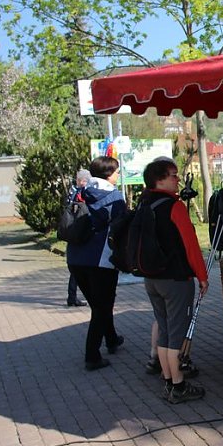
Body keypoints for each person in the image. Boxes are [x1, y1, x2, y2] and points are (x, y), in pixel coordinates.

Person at [139, 159, 210, 403]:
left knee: (165, 331)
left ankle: (168, 381)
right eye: (173, 175)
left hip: (152, 278)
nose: (178, 179)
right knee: (177, 334)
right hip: (176, 279)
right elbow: (190, 245)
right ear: (159, 179)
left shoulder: (144, 202)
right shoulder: (174, 206)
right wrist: (202, 277)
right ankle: (178, 385)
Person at [66, 156, 127, 371]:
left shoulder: (78, 192)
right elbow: (122, 228)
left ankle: (111, 338)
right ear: (109, 174)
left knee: (98, 304)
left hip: (74, 257)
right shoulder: (114, 196)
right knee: (102, 307)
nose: (118, 175)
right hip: (101, 260)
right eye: (117, 171)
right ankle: (92, 355)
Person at [65, 169, 91, 307]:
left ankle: (72, 296)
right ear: (83, 181)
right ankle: (76, 296)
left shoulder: (71, 192)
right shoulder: (82, 193)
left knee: (74, 267)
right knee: (81, 266)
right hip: (81, 232)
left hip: (71, 231)